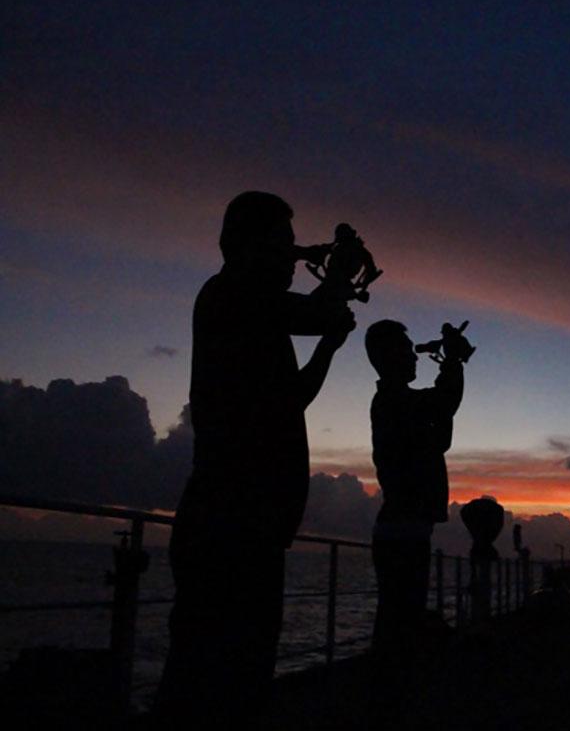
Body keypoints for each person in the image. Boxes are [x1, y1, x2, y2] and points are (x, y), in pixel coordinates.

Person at [155, 191, 355, 726]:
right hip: (232, 528)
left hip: (242, 527)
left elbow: (291, 396)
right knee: (217, 685)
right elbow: (315, 316)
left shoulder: (243, 300)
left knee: (220, 683)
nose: (293, 254)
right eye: (285, 242)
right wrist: (336, 284)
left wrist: (329, 339)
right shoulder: (237, 295)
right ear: (253, 245)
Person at [364, 319, 471, 652]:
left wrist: (452, 363)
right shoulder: (395, 402)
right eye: (407, 351)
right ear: (389, 356)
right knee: (399, 624)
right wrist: (452, 361)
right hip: (403, 530)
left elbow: (441, 411)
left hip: (405, 528)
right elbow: (444, 402)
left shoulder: (395, 401)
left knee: (397, 621)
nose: (414, 358)